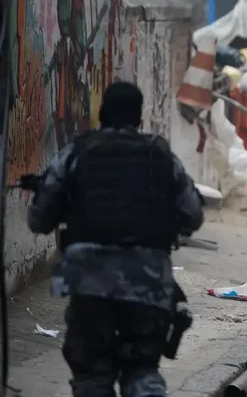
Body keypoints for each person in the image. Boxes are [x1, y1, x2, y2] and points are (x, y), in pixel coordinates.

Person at [27, 81, 204, 397]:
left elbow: (38, 219)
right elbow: (193, 214)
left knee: (93, 375)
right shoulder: (161, 156)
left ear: (102, 113)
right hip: (148, 282)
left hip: (90, 282)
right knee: (142, 370)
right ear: (139, 118)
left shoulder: (76, 153)